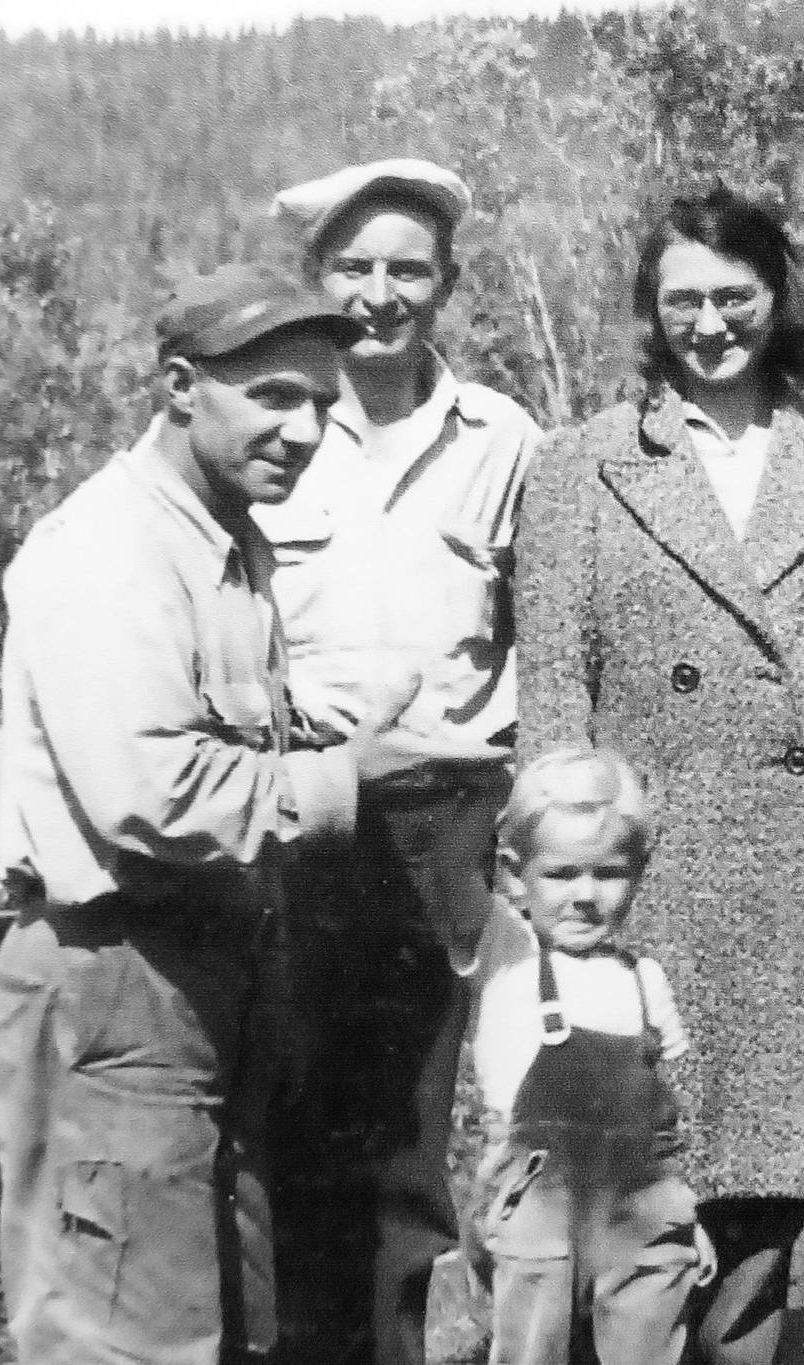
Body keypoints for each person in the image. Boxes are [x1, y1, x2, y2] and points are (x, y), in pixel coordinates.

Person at [0, 264, 466, 1363]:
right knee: (124, 1337)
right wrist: (352, 776)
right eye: (274, 397)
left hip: (200, 985)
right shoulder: (111, 554)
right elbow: (147, 793)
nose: (303, 430)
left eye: (322, 406)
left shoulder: (223, 540)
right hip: (109, 984)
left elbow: (224, 733)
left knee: (217, 1323)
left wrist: (332, 728)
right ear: (179, 385)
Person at [514, 186, 804, 1365]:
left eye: (734, 295)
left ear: (777, 296)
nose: (709, 323)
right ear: (651, 312)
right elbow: (552, 697)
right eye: (681, 299)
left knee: (763, 1201)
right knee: (635, 1194)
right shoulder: (580, 466)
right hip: (641, 881)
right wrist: (558, 891)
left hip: (800, 871)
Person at [261, 158, 543, 1365]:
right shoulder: (269, 424)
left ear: (448, 284)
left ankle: (406, 1344)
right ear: (315, 279)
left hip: (452, 812)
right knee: (301, 1107)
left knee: (419, 1122)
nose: (379, 294)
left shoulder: (502, 436)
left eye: (406, 270)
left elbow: (546, 619)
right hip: (302, 805)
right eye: (354, 268)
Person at [463, 746, 716, 1365]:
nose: (585, 895)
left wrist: (686, 1212)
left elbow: (671, 1113)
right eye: (562, 874)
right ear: (515, 875)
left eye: (609, 873)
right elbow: (449, 876)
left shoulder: (644, 979)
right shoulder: (507, 956)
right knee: (533, 1348)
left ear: (639, 872)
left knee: (648, 1346)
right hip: (539, 1211)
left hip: (641, 1210)